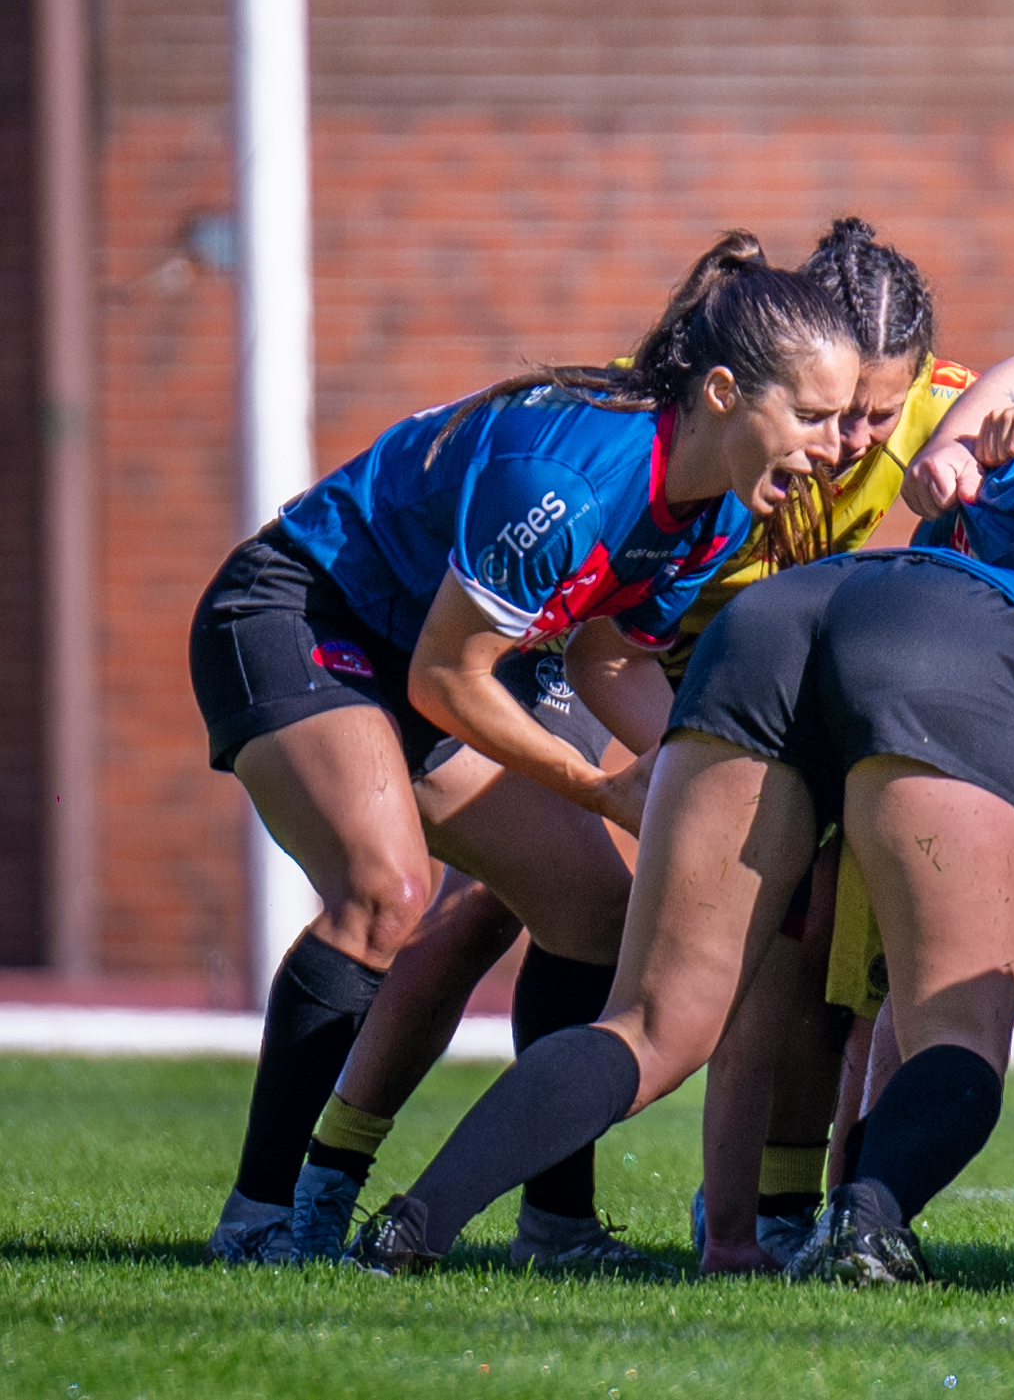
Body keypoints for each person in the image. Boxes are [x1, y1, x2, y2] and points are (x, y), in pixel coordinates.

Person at [346, 445, 1014, 1281]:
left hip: (772, 620)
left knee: (654, 1023)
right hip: (943, 654)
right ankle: (862, 1221)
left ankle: (415, 1221)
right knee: (959, 1032)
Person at [281, 219, 1007, 1273]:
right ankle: (331, 1176)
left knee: (739, 934)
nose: (850, 439)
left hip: (717, 679)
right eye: (832, 413)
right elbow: (593, 627)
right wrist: (654, 775)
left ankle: (702, 1225)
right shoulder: (698, 409)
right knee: (486, 906)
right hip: (599, 652)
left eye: (877, 415)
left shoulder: (943, 408)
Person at [192, 236, 860, 1266]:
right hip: (294, 616)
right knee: (387, 892)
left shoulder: (718, 514)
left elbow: (606, 667)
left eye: (845, 418)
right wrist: (603, 785)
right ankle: (261, 1220)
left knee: (590, 908)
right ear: (724, 391)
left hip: (413, 654)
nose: (833, 445)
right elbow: (445, 680)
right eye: (812, 416)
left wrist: (714, 776)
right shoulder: (569, 483)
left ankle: (555, 1228)